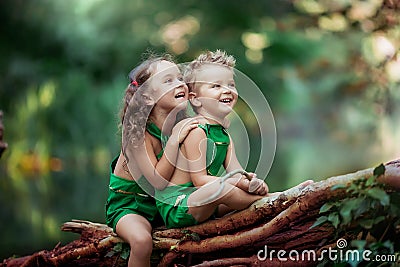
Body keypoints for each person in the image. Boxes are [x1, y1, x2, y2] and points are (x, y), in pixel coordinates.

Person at [155, 50, 271, 229]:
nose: (227, 90)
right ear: (196, 99)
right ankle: (271, 202)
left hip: (204, 200)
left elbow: (237, 172)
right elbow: (200, 180)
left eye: (231, 84)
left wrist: (249, 181)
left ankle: (272, 198)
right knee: (222, 190)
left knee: (228, 192)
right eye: (216, 86)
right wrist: (237, 182)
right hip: (180, 204)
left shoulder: (224, 135)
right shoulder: (196, 131)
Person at [105, 54, 198, 267]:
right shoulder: (136, 134)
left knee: (219, 199)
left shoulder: (178, 125)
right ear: (147, 97)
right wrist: (174, 142)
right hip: (131, 206)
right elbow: (157, 181)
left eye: (180, 78)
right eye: (168, 80)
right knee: (142, 241)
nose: (180, 84)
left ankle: (269, 199)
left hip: (163, 204)